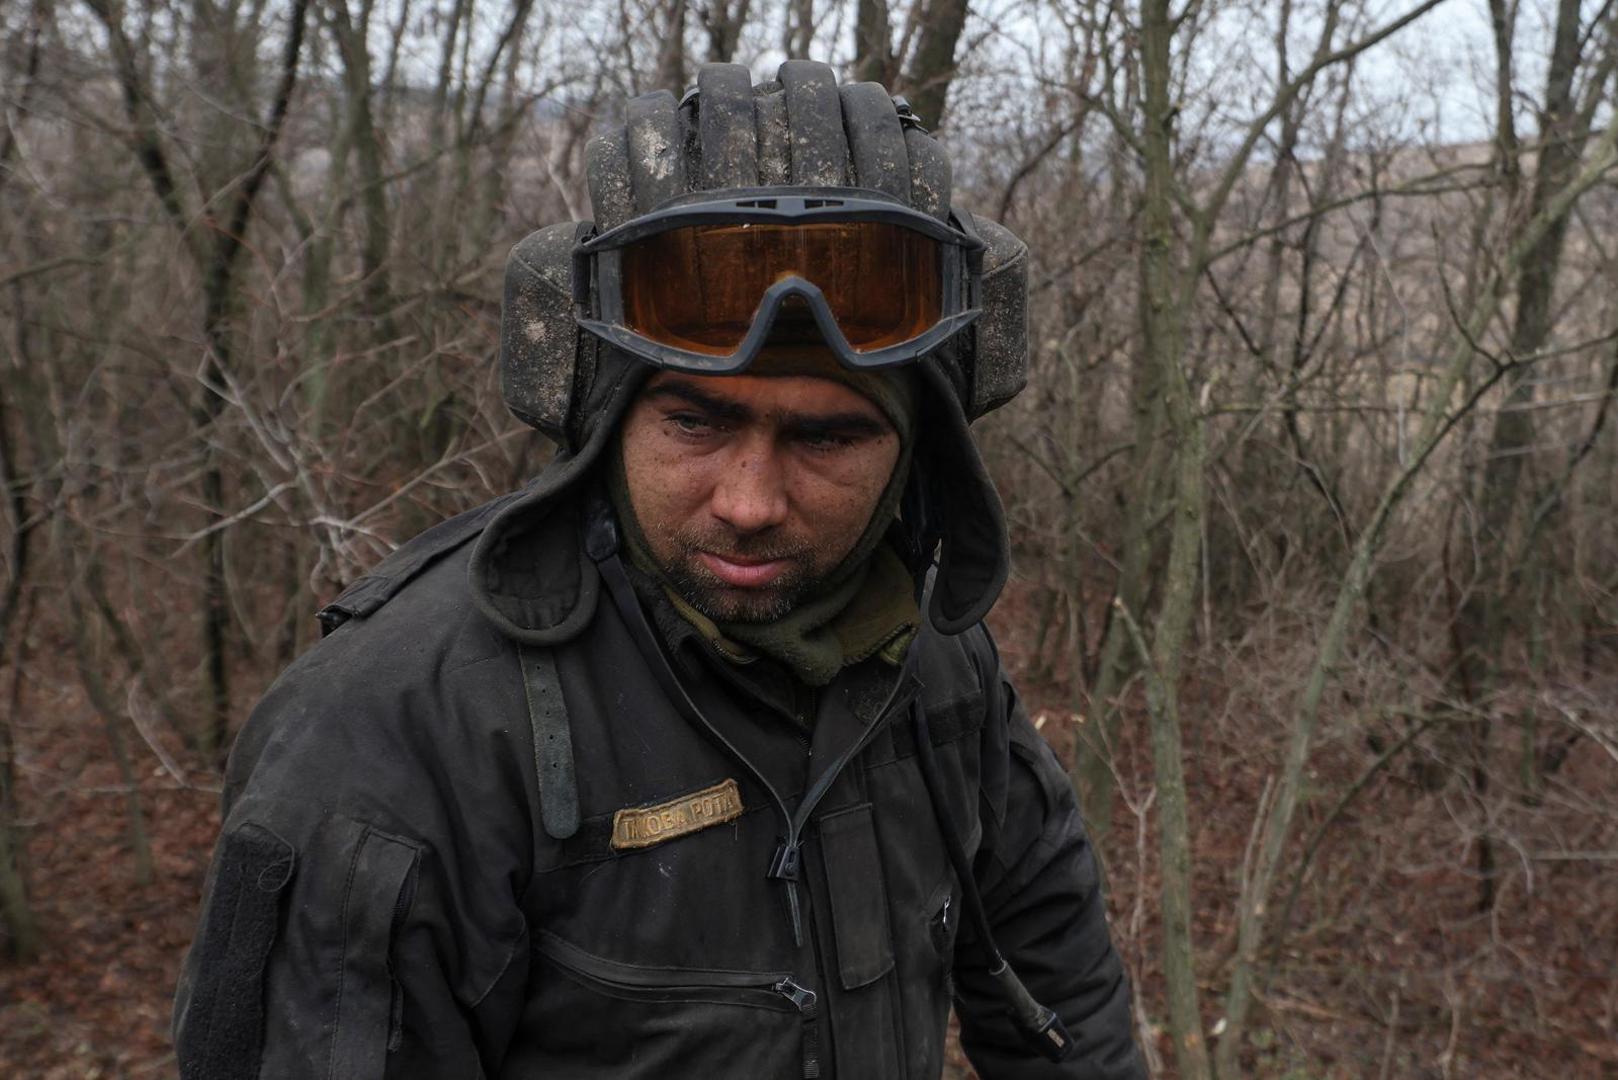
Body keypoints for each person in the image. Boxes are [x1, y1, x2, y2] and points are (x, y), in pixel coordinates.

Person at [173, 60, 1145, 1080]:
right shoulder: (397, 732)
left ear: (911, 455)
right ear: (603, 413)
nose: (749, 501)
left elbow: (1056, 974)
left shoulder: (931, 651)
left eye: (827, 439)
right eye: (694, 420)